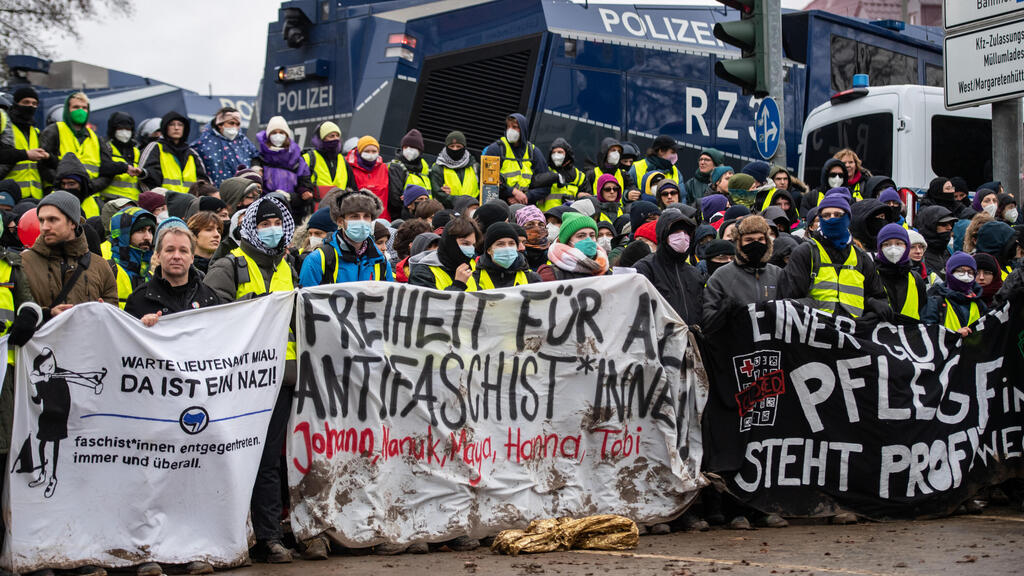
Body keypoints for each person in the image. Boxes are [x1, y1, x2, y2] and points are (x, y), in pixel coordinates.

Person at [202, 195, 298, 564]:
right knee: (240, 459)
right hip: (241, 383)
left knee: (271, 460)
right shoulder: (230, 266)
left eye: (278, 224)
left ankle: (269, 536)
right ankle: (237, 534)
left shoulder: (288, 266)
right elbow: (213, 320)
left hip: (282, 379)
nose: (272, 231)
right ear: (249, 228)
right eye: (264, 224)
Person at [778, 194, 890, 321]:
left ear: (848, 218)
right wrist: (817, 309)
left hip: (852, 334)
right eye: (826, 216)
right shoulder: (805, 253)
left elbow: (879, 298)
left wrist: (871, 304)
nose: (832, 219)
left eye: (837, 215)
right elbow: (787, 302)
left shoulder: (861, 257)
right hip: (816, 332)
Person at [21, 191, 117, 319]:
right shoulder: (23, 263)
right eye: (41, 220)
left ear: (72, 222)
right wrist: (47, 314)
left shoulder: (100, 266)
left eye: (52, 220)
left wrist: (104, 312)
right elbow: (18, 313)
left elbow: (114, 318)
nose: (45, 227)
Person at [125, 219, 218, 326]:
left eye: (183, 251)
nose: (176, 256)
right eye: (170, 250)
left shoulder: (210, 298)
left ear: (192, 257)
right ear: (158, 255)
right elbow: (126, 339)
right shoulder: (139, 299)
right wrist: (140, 326)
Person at [299, 189, 393, 286]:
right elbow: (307, 298)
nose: (361, 221)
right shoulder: (317, 259)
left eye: (366, 216)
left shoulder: (381, 261)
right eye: (354, 216)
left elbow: (389, 298)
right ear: (340, 221)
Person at [633, 209, 703, 324]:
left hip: (691, 339)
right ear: (663, 235)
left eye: (686, 232)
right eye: (676, 231)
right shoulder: (645, 268)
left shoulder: (694, 273)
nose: (682, 236)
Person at [38, 93, 104, 189]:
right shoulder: (54, 131)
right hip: (58, 192)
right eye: (76, 107)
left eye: (84, 108)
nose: (81, 111)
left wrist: (89, 187)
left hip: (88, 195)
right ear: (67, 110)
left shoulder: (95, 137)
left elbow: (106, 171)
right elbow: (42, 164)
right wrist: (63, 183)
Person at [255, 116, 315, 220]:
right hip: (265, 213)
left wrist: (290, 197)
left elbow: (306, 192)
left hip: (293, 214)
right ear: (268, 136)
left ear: (287, 135)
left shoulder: (298, 161)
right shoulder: (259, 160)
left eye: (281, 132)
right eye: (274, 132)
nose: (278, 136)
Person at [87, 112, 145, 219]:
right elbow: (103, 167)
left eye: (128, 129)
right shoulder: (106, 147)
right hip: (110, 201)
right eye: (120, 128)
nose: (124, 132)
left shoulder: (136, 151)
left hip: (132, 203)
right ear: (113, 129)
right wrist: (124, 168)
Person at [481, 113, 546, 205]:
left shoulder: (534, 152)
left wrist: (526, 196)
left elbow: (545, 185)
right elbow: (487, 180)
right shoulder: (496, 149)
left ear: (523, 130)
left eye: (514, 127)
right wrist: (512, 192)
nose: (510, 130)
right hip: (499, 203)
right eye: (508, 127)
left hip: (525, 205)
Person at [139, 111, 209, 196]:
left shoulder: (192, 153)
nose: (176, 128)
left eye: (180, 125)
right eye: (172, 124)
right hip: (164, 205)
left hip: (190, 204)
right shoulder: (155, 147)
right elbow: (145, 177)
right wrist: (157, 202)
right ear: (165, 128)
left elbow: (204, 182)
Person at [191, 107, 259, 187]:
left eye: (238, 124)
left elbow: (255, 156)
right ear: (220, 124)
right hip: (215, 192)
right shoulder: (204, 142)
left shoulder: (243, 141)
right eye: (231, 123)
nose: (235, 127)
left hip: (241, 190)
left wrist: (256, 168)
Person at [410, 216, 482, 291]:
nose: (471, 249)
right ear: (450, 243)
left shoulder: (467, 269)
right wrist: (459, 284)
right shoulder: (422, 273)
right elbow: (429, 302)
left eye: (473, 245)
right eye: (465, 243)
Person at [0, 86, 48, 199]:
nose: (31, 106)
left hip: (35, 196)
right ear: (16, 103)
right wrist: (26, 154)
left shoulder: (35, 132)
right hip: (8, 195)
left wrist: (48, 157)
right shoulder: (6, 129)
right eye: (26, 102)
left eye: (34, 103)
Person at [923, 252, 987, 336]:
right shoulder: (935, 302)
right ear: (950, 272)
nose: (966, 276)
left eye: (970, 272)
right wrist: (953, 335)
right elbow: (928, 333)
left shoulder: (979, 303)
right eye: (961, 271)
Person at [106, 207, 156, 309]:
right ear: (124, 235)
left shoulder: (151, 277)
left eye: (150, 231)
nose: (148, 237)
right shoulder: (108, 271)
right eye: (140, 230)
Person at [874, 224, 925, 323]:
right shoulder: (871, 276)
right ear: (880, 247)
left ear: (907, 246)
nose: (893, 249)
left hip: (911, 336)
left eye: (899, 243)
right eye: (887, 244)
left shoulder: (916, 279)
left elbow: (922, 309)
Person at [537, 213, 610, 282]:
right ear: (567, 242)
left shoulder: (606, 270)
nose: (589, 240)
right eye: (581, 236)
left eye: (592, 235)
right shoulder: (550, 274)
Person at [470, 222, 541, 289]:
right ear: (489, 250)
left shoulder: (532, 278)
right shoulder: (475, 278)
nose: (507, 248)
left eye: (511, 243)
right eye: (500, 244)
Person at [303, 121, 355, 201]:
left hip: (339, 209)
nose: (336, 139)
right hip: (316, 208)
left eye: (337, 136)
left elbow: (352, 188)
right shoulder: (308, 158)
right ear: (322, 139)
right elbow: (301, 183)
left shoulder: (343, 161)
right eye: (331, 136)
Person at [529, 138, 584, 211]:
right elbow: (533, 182)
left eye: (560, 152)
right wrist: (554, 177)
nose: (556, 155)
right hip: (546, 216)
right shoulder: (545, 170)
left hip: (567, 218)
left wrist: (577, 197)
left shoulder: (579, 176)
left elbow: (586, 198)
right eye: (553, 152)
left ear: (567, 154)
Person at [346, 136, 392, 220]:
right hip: (358, 219)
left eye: (374, 151)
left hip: (382, 220)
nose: (371, 154)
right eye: (367, 151)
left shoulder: (384, 168)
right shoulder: (348, 166)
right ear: (359, 151)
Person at [430, 131, 478, 209]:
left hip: (472, 210)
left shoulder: (474, 166)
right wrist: (455, 200)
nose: (455, 149)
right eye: (452, 146)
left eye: (458, 146)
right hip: (448, 211)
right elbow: (437, 193)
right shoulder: (438, 167)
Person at [388, 129, 431, 213]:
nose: (408, 150)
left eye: (413, 147)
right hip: (402, 214)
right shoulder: (396, 167)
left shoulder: (425, 169)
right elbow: (395, 198)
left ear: (420, 150)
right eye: (405, 147)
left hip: (425, 214)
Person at [915, 205, 957, 281]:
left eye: (951, 224)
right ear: (931, 226)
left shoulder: (949, 251)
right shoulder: (918, 254)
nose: (949, 228)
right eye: (944, 224)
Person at [515, 205, 548, 270]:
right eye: (530, 224)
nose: (537, 228)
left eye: (541, 225)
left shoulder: (552, 253)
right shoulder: (516, 253)